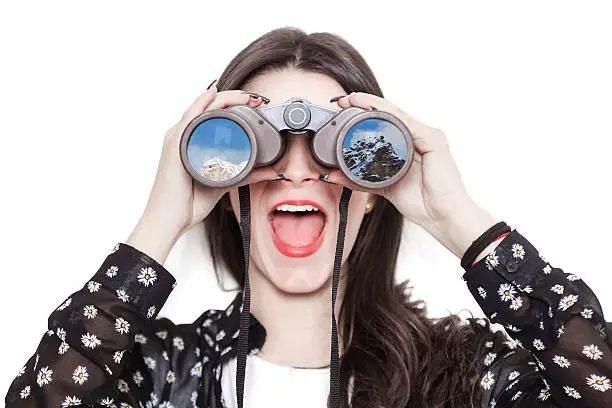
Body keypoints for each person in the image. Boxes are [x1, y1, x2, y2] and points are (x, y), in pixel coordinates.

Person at [5, 27, 612, 408]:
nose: (297, 171)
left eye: (340, 145)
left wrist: (457, 218)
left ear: (377, 189)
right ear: (231, 190)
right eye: (257, 143)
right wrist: (159, 223)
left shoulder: (467, 378)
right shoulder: (152, 373)